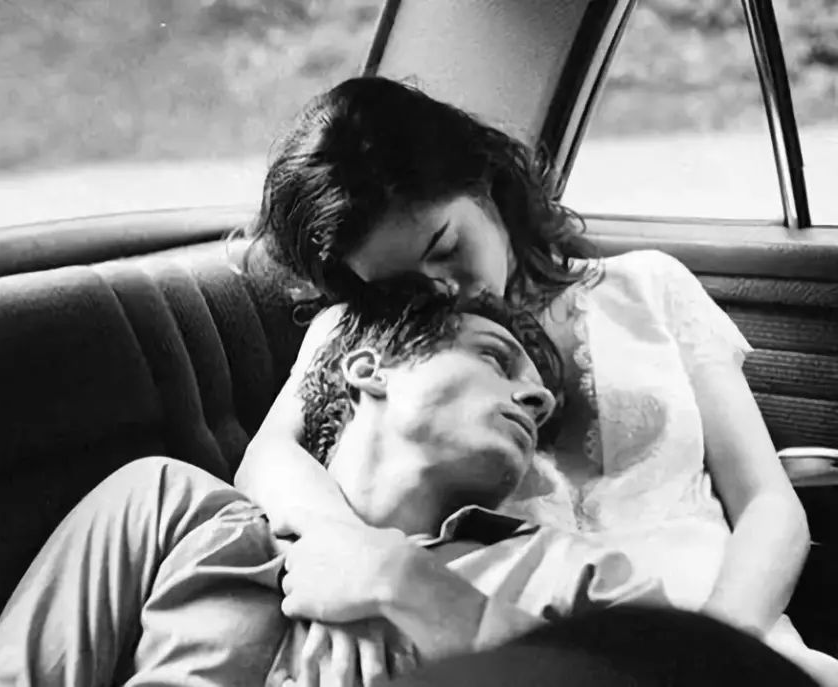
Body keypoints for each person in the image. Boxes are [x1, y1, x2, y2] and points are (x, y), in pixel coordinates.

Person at [235, 75, 838, 683]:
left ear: (482, 184)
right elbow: (269, 456)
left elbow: (767, 503)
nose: (445, 288)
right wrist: (356, 558)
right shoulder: (366, 332)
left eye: (445, 245)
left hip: (733, 639)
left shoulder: (650, 286)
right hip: (524, 660)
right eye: (404, 281)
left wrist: (712, 656)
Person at [0, 291, 707, 687]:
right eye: (495, 358)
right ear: (368, 370)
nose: (536, 399)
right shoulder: (166, 508)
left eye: (540, 402)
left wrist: (415, 589)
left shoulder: (573, 575)